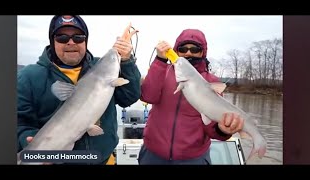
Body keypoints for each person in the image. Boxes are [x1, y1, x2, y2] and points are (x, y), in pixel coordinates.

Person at [17, 15, 141, 164]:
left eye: (78, 37)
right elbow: (19, 123)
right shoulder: (29, 76)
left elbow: (130, 97)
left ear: (85, 41)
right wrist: (28, 140)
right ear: (52, 41)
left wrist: (126, 61)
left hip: (105, 160)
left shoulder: (100, 66)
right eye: (62, 37)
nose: (70, 42)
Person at [138, 29, 244, 165]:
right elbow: (147, 96)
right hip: (152, 155)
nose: (188, 52)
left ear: (202, 52)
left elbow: (211, 126)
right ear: (176, 51)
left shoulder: (212, 82)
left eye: (194, 49)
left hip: (193, 158)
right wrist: (160, 60)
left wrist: (222, 130)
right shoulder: (162, 71)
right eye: (183, 48)